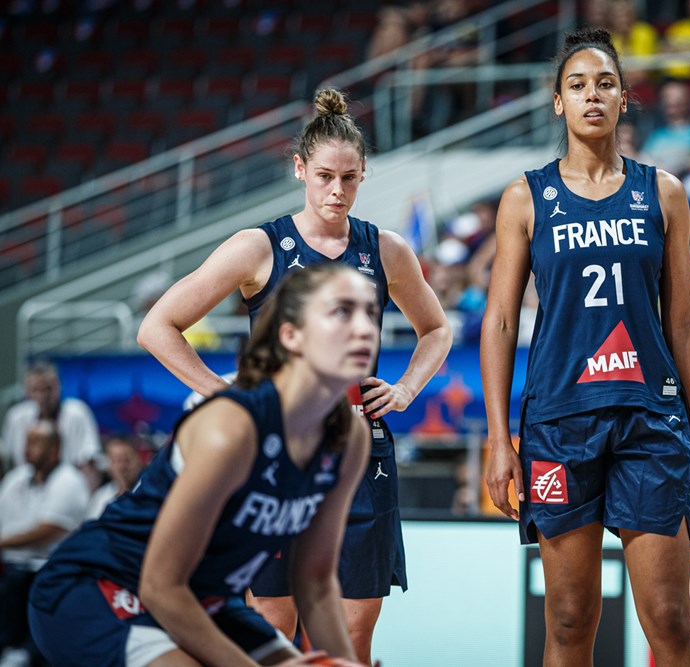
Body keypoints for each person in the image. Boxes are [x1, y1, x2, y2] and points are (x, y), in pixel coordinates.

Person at [136, 88, 453, 664]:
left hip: (360, 455)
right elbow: (158, 326)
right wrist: (221, 391)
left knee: (352, 638)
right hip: (274, 460)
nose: (337, 191)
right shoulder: (259, 246)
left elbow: (437, 329)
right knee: (271, 633)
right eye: (325, 175)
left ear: (364, 176)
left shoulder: (385, 248)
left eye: (350, 178)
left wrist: (406, 388)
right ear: (300, 169)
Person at [481, 28, 690, 666]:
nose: (592, 96)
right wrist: (501, 441)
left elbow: (687, 322)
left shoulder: (662, 191)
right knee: (568, 618)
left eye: (605, 84)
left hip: (649, 418)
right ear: (558, 102)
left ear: (622, 99)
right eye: (578, 85)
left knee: (669, 618)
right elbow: (500, 322)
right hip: (559, 420)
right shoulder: (525, 196)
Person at [29, 263, 378, 667]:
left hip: (200, 597)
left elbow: (315, 583)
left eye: (370, 312)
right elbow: (160, 586)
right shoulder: (231, 427)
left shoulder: (349, 437)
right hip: (98, 586)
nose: (365, 328)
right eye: (342, 312)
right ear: (291, 335)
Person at [0, 420, 90, 666]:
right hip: (11, 564)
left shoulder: (70, 481)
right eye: (27, 441)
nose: (27, 448)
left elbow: (48, 529)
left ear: (54, 449)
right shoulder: (16, 478)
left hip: (49, 566)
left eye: (35, 443)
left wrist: (2, 543)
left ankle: (26, 652)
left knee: (22, 581)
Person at [0, 361, 102, 489]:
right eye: (35, 390)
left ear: (58, 386)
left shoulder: (77, 413)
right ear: (26, 391)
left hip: (68, 489)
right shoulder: (17, 417)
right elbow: (7, 462)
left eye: (47, 389)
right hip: (27, 491)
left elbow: (89, 463)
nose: (42, 396)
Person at [86, 434, 147, 519]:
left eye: (126, 460)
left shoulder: (149, 492)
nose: (122, 467)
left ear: (138, 460)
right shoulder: (101, 497)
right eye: (117, 461)